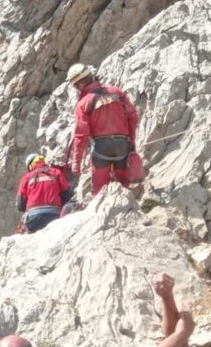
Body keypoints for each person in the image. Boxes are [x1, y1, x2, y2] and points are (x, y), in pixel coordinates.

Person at [67, 63, 140, 194]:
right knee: (123, 186)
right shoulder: (116, 92)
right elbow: (133, 116)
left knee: (99, 190)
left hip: (101, 148)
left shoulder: (83, 104)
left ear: (79, 84)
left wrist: (76, 163)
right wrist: (131, 140)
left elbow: (81, 136)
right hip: (122, 145)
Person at [16, 154, 71, 233]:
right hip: (54, 215)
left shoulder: (26, 177)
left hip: (33, 218)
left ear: (30, 166)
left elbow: (20, 205)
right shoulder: (56, 172)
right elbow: (66, 196)